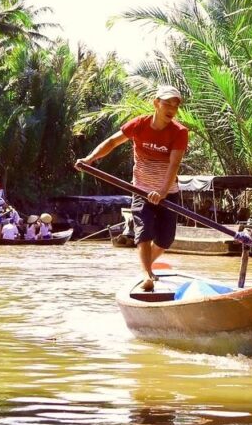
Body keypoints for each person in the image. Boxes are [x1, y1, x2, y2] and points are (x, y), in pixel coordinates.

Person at [76, 84, 188, 291]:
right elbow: (112, 142)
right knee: (143, 232)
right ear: (156, 104)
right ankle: (147, 274)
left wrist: (162, 192)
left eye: (175, 105)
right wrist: (90, 159)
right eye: (167, 103)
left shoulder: (179, 132)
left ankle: (145, 265)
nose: (171, 108)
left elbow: (174, 164)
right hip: (141, 190)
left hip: (168, 192)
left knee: (166, 239)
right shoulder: (139, 125)